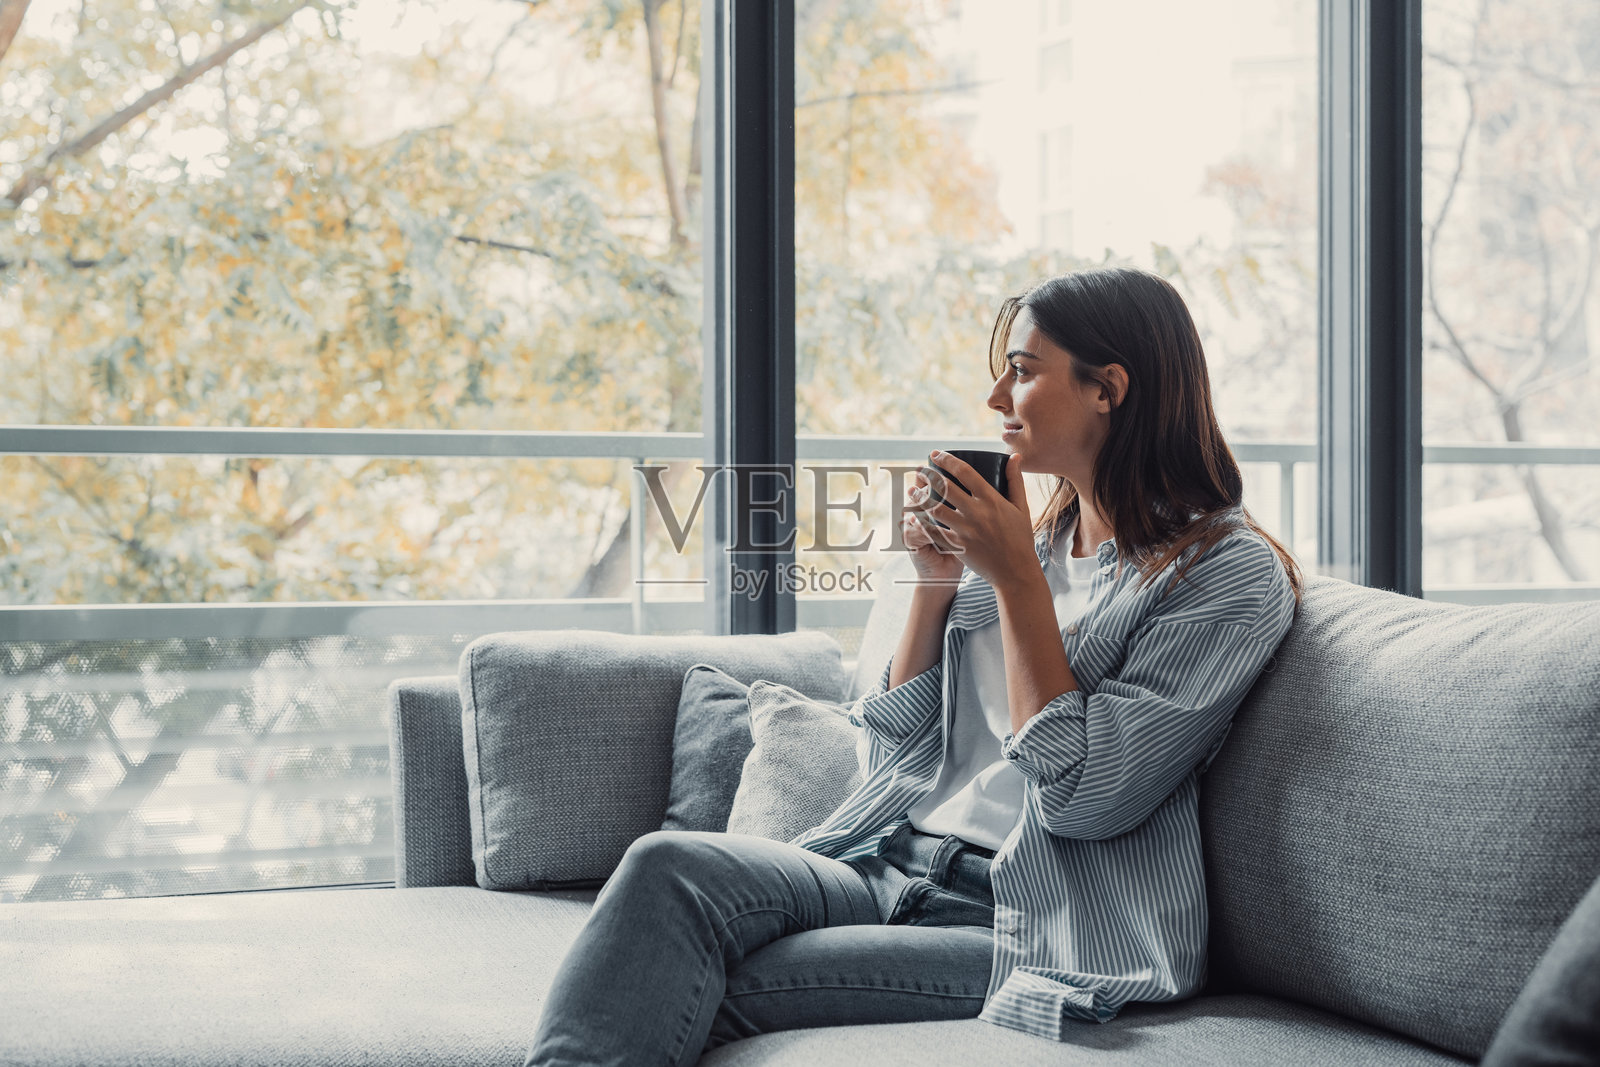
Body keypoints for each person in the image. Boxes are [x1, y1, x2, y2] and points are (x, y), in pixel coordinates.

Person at [524, 267, 1304, 1066]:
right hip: (884, 859)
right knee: (666, 866)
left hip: (1022, 916)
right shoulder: (1033, 542)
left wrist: (1015, 584)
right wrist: (933, 589)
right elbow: (892, 754)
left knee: (696, 985)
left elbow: (1083, 796)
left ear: (1107, 389)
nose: (998, 398)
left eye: (1024, 372)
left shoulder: (1223, 574)